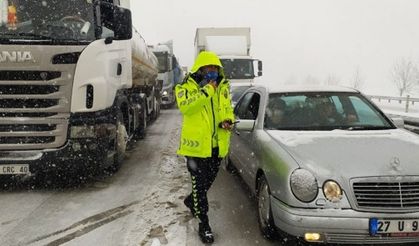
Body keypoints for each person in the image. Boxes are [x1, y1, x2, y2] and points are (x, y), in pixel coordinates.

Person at [175, 51, 234, 244]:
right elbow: (186, 107)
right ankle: (204, 224)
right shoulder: (185, 86)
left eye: (215, 69)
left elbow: (227, 109)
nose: (213, 72)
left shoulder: (223, 87)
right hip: (196, 149)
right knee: (200, 188)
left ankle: (191, 201)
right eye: (209, 68)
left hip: (217, 146)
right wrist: (207, 90)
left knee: (207, 183)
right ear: (200, 69)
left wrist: (228, 121)